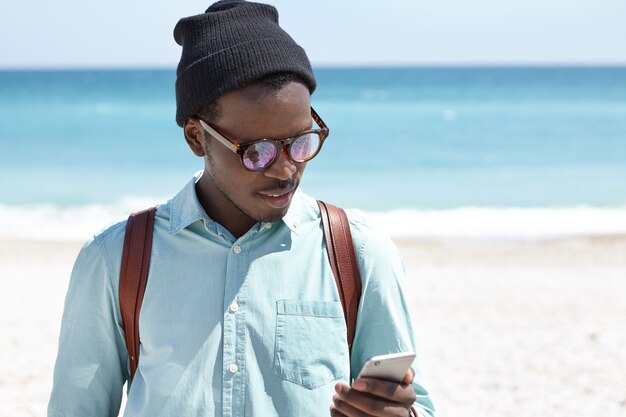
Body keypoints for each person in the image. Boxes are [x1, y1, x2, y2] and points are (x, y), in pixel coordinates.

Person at [48, 1, 436, 416]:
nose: (286, 169)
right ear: (197, 138)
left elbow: (415, 406)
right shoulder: (115, 259)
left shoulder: (358, 253)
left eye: (301, 141)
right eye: (258, 152)